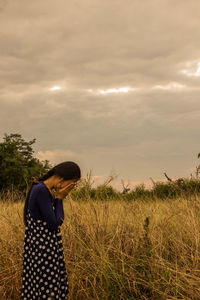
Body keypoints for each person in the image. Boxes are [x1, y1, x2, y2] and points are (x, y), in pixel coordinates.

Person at [21, 161, 81, 300]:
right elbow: (55, 223)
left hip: (43, 249)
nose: (70, 188)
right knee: (46, 289)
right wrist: (60, 198)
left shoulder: (44, 189)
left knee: (43, 287)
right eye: (71, 184)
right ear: (61, 179)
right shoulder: (41, 190)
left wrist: (58, 198)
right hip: (43, 252)